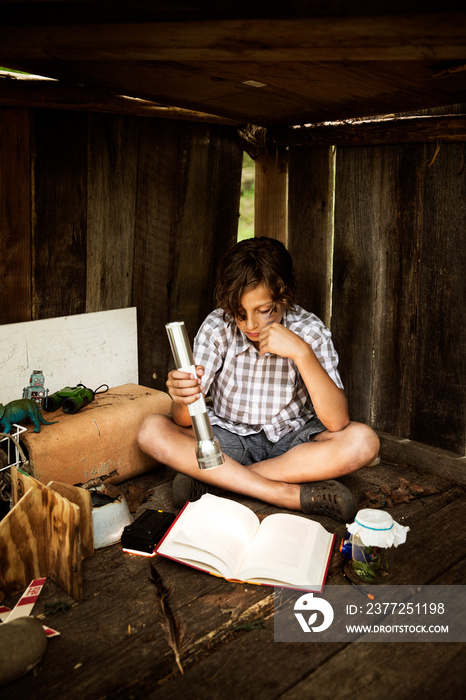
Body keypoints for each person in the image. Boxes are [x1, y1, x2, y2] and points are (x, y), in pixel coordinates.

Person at [138, 237, 380, 522]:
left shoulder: (310, 329)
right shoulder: (217, 327)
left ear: (285, 295)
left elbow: (337, 422)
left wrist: (302, 353)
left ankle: (217, 481)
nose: (251, 325)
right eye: (240, 314)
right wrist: (182, 398)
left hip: (291, 442)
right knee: (151, 430)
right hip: (227, 438)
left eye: (264, 311)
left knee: (363, 441)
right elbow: (182, 420)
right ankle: (284, 494)